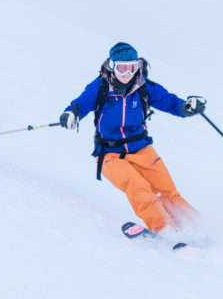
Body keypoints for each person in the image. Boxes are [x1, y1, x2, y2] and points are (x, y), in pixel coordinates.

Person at [59, 42, 206, 234]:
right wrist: (71, 114)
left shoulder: (144, 86)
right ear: (112, 66)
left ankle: (199, 229)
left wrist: (186, 107)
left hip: (141, 148)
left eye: (132, 67)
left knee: (167, 191)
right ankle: (166, 230)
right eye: (122, 67)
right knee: (137, 186)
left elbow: (169, 102)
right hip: (109, 153)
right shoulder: (100, 87)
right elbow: (81, 104)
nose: (127, 73)